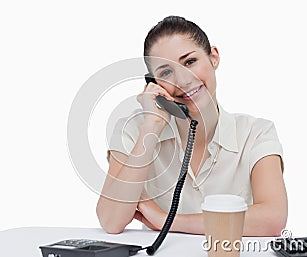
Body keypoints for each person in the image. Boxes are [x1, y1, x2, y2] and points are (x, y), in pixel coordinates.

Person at [96, 16, 287, 236]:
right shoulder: (134, 129)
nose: (184, 80)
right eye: (166, 72)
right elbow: (111, 221)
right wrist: (151, 127)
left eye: (189, 62)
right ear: (154, 84)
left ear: (213, 57)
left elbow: (272, 219)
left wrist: (166, 221)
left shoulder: (256, 133)